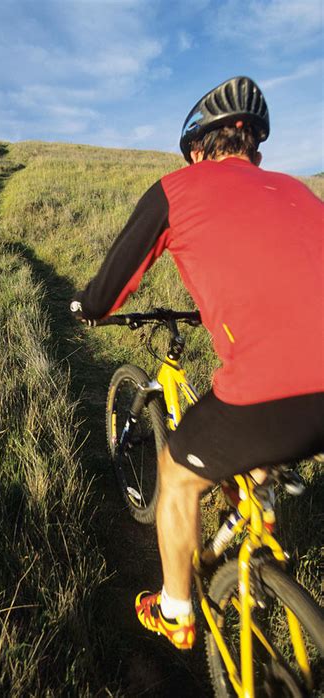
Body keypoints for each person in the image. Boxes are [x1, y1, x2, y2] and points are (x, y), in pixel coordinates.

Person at [70, 76, 324, 650]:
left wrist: (88, 305)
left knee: (176, 476)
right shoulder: (300, 191)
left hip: (277, 388)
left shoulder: (177, 189)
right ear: (254, 150)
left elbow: (110, 287)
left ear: (196, 150)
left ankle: (177, 609)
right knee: (252, 423)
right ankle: (256, 500)